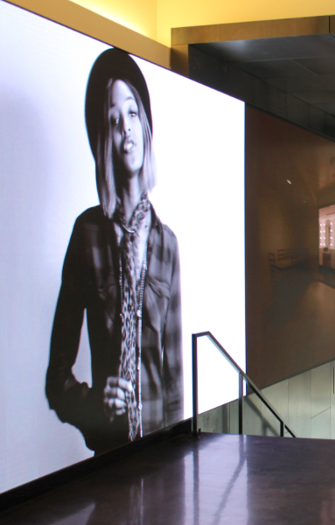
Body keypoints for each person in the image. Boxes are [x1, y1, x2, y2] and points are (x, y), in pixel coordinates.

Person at [46, 48, 182, 455]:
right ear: (104, 137)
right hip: (109, 460)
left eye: (133, 112)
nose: (126, 130)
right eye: (113, 119)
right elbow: (57, 379)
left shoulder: (168, 244)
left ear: (146, 123)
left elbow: (174, 380)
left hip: (160, 456)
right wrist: (93, 406)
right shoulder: (86, 234)